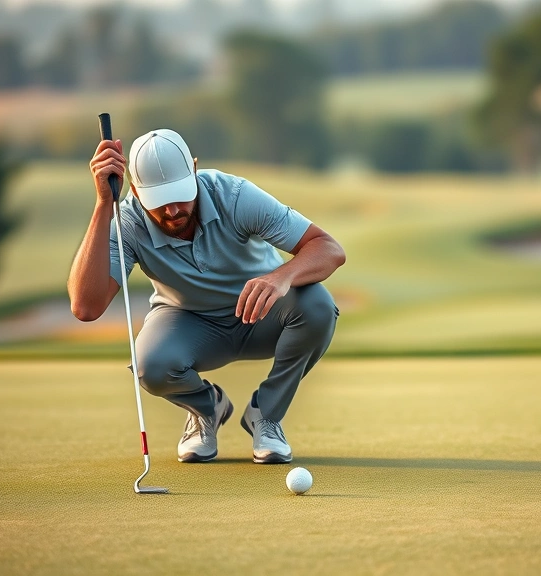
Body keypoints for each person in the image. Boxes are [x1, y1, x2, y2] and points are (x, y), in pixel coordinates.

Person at [68, 128, 345, 464]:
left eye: (181, 194)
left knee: (318, 306)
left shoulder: (235, 195)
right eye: (158, 201)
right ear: (134, 191)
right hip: (189, 323)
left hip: (262, 314)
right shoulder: (126, 221)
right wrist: (102, 204)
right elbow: (86, 306)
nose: (172, 211)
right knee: (150, 365)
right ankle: (206, 409)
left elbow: (328, 249)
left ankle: (267, 416)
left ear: (195, 170)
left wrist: (280, 278)